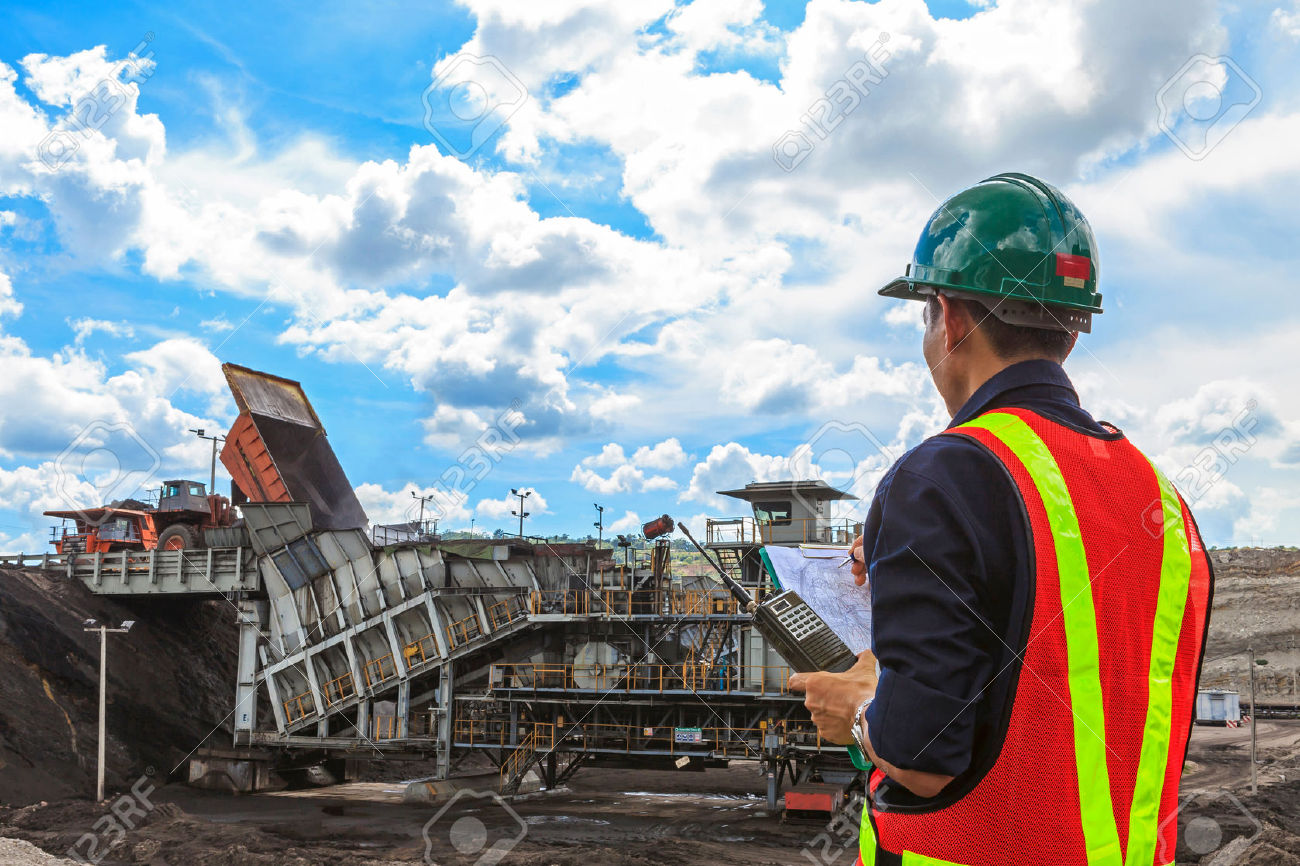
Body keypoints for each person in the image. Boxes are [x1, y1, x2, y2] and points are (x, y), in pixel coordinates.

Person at [788, 173, 1213, 865]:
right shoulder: (1157, 495)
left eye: (926, 317)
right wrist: (914, 558)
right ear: (1068, 333)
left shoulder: (939, 476)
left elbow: (923, 757)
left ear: (949, 317)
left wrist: (859, 709)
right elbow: (1060, 644)